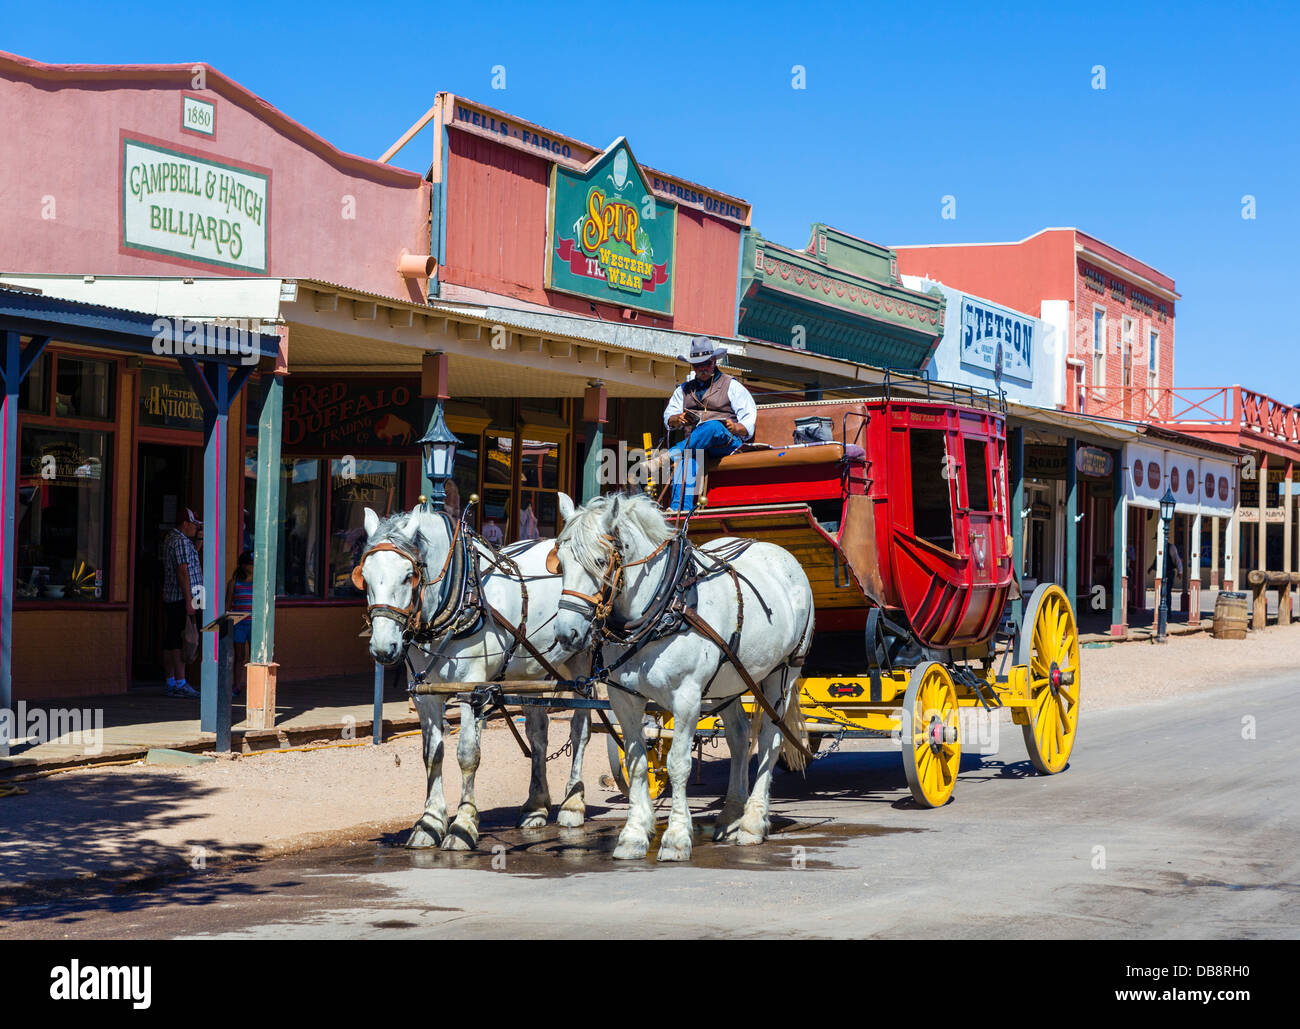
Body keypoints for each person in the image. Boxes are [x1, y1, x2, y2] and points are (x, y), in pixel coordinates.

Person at [663, 335, 756, 511]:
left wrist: (735, 427)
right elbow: (669, 417)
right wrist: (677, 419)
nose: (703, 368)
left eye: (707, 363)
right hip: (697, 447)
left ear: (714, 361)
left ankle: (669, 454)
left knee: (712, 426)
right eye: (698, 365)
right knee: (690, 455)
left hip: (727, 443)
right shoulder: (683, 390)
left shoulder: (732, 386)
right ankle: (679, 510)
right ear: (693, 366)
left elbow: (749, 423)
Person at [160, 508, 202, 698]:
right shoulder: (181, 541)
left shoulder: (173, 538)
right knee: (182, 639)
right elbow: (183, 571)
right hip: (183, 597)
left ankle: (170, 680)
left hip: (174, 596)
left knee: (171, 639)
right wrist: (189, 601)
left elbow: (191, 560)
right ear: (185, 524)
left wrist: (199, 540)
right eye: (194, 525)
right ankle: (180, 681)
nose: (195, 528)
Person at [226, 550, 255, 698]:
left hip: (254, 625)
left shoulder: (259, 584)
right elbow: (228, 605)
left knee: (256, 657)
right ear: (242, 566)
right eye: (249, 564)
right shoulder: (234, 583)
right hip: (239, 624)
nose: (252, 567)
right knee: (239, 656)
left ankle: (255, 686)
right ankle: (236, 685)